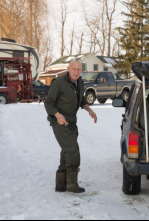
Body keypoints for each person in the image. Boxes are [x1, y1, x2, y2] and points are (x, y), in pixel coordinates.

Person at [44, 59, 97, 193]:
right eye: (74, 69)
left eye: (79, 69)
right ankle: (72, 185)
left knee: (66, 150)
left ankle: (61, 184)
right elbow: (48, 103)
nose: (76, 72)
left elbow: (82, 101)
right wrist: (57, 115)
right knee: (72, 150)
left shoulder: (80, 82)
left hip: (72, 121)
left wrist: (89, 109)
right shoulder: (59, 83)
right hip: (59, 121)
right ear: (68, 69)